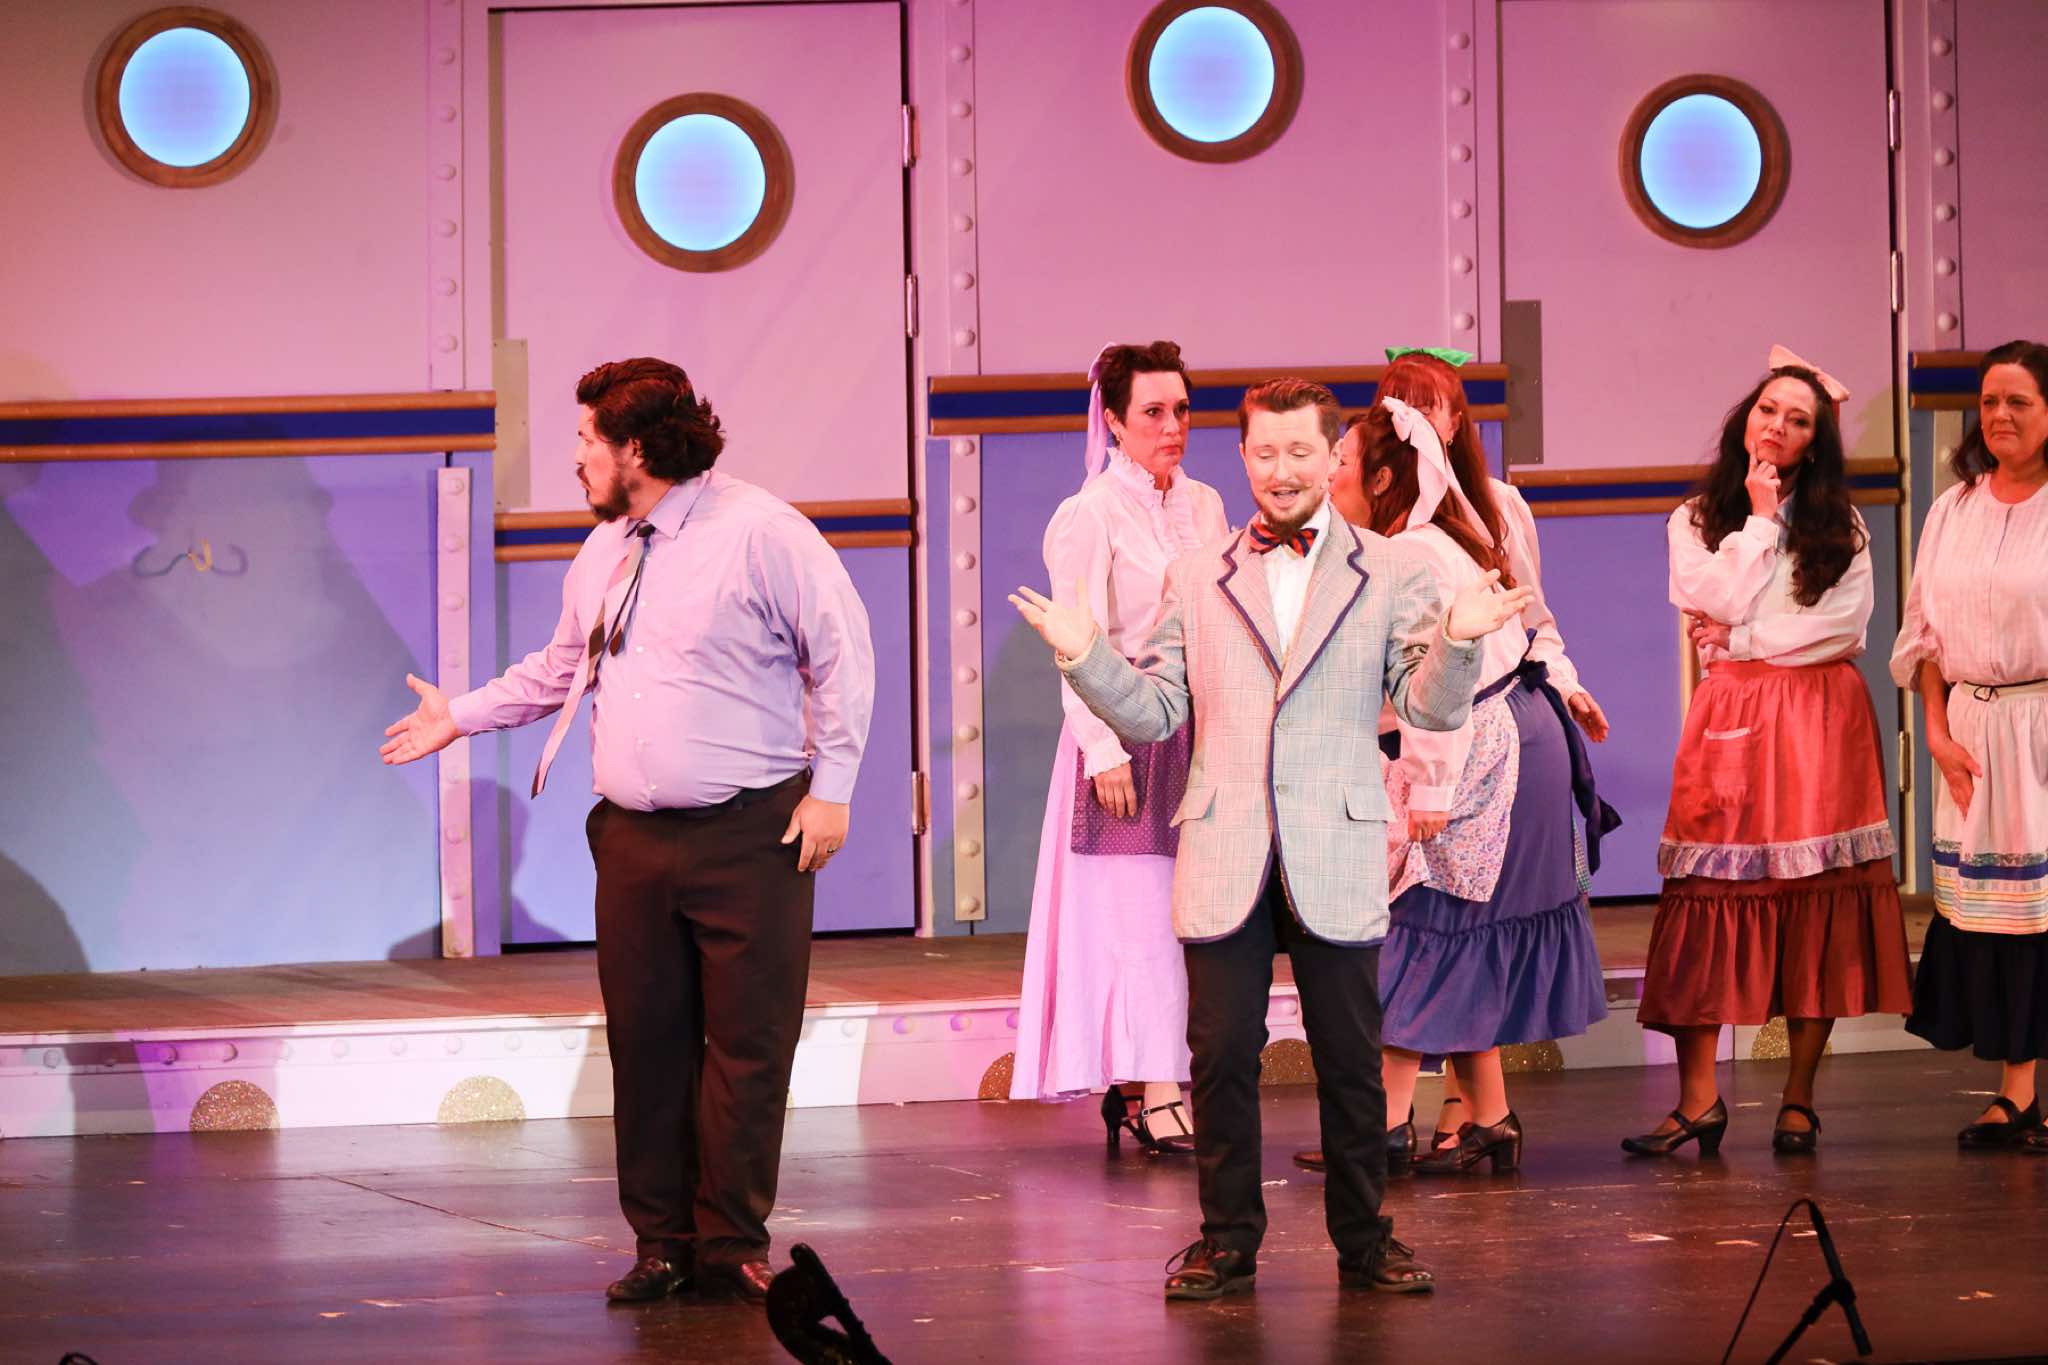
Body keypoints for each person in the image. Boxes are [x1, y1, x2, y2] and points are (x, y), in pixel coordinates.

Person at [1011, 378, 1534, 1300]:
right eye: (1264, 452)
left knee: (1350, 1060)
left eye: (1300, 452)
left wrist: (1457, 640)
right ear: (1244, 456)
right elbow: (1158, 709)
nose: (1281, 470)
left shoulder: (1389, 568)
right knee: (1219, 1058)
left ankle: (1365, 1240)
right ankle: (1226, 1241)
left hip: (1336, 839)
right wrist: (1086, 653)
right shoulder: (1198, 574)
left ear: (1332, 457)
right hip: (1228, 844)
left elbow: (1426, 706)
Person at [380, 357, 876, 1302]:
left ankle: (730, 1241)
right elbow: (560, 666)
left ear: (635, 448)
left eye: (585, 441)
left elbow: (843, 658)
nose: (575, 459)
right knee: (646, 1045)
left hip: (752, 833)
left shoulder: (763, 533)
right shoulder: (607, 548)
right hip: (635, 841)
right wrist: (462, 715)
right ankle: (662, 1242)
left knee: (748, 1046)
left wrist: (835, 788)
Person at [1295, 346, 1611, 1178]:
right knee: (1459, 927)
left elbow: (1444, 680)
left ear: (1384, 474)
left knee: (1420, 924)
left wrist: (1428, 784)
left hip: (1478, 746)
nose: (1327, 476)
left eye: (1339, 463)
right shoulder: (1411, 537)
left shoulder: (1417, 551)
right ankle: (1489, 1117)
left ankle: (1382, 1126)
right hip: (1503, 735)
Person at [1625, 346, 1910, 1158]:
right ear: (1744, 420)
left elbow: (1841, 628)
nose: (1778, 426)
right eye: (1768, 411)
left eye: (1798, 419)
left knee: (1814, 897)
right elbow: (1707, 594)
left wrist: (1744, 637)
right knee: (1706, 892)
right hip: (1733, 718)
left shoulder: (1841, 525)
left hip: (1820, 717)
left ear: (1817, 441)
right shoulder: (1695, 518)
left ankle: (1798, 1097)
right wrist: (1755, 517)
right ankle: (1698, 1099)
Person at [1010, 341, 1229, 1156]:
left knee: (1193, 918)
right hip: (1126, 730)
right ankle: (1155, 1089)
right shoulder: (1092, 512)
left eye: (1181, 410)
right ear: (1114, 419)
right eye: (1153, 412)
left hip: (1198, 730)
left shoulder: (1205, 504)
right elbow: (1077, 639)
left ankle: (1156, 1081)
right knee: (1138, 920)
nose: (1172, 426)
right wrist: (1103, 748)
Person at [1890, 339, 2048, 1151]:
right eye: (1989, 401)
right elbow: (1924, 635)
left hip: (2041, 724)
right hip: (1974, 731)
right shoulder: (1953, 509)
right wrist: (1937, 732)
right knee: (1999, 919)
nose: (1999, 415)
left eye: (2018, 401)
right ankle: (2017, 1092)